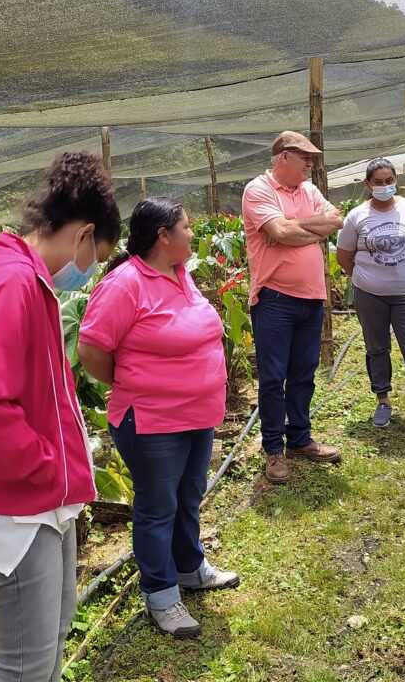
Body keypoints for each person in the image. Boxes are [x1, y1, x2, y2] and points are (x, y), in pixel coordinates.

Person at [0, 151, 121, 682]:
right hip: (13, 507)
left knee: (49, 640)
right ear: (82, 235)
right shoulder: (11, 284)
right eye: (97, 256)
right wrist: (43, 466)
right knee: (22, 666)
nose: (91, 271)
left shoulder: (20, 277)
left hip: (35, 501)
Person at [77, 198, 239, 639]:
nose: (193, 232)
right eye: (186, 227)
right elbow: (91, 350)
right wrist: (134, 382)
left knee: (189, 494)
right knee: (157, 506)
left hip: (196, 414)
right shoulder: (126, 283)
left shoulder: (180, 273)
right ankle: (161, 594)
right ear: (163, 236)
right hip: (150, 420)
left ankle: (190, 568)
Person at [242, 131, 344, 485]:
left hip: (311, 297)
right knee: (273, 377)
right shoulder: (258, 190)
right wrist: (307, 230)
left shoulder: (310, 191)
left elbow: (334, 220)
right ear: (283, 157)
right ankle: (273, 448)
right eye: (305, 157)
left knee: (304, 370)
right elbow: (279, 233)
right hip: (274, 299)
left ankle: (299, 438)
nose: (311, 164)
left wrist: (293, 226)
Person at [336, 157, 405, 428]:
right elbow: (344, 256)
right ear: (368, 184)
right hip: (370, 294)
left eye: (389, 181)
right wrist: (364, 277)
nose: (384, 186)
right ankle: (383, 401)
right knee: (377, 347)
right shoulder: (357, 216)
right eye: (378, 182)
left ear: (396, 180)